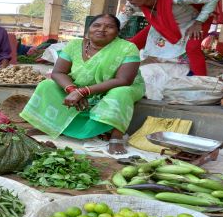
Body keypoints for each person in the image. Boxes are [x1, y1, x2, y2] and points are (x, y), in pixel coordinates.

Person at [20, 14, 145, 155]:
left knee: (121, 92)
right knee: (46, 85)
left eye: (109, 27)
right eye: (96, 25)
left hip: (116, 86)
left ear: (117, 32)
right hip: (78, 87)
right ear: (88, 29)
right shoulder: (74, 45)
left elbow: (124, 80)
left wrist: (84, 91)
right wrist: (73, 90)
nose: (102, 29)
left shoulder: (127, 47)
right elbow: (58, 72)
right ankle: (48, 125)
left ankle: (116, 136)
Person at [123, 0, 223, 76]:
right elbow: (120, 19)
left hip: (194, 22)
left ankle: (200, 79)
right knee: (134, 43)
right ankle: (122, 69)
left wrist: (198, 23)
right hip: (165, 23)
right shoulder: (133, 4)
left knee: (192, 47)